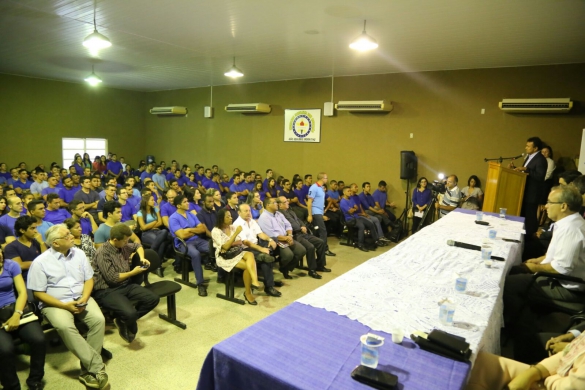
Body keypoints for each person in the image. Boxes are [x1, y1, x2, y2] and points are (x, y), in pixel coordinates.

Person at [504, 185, 585, 363]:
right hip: (562, 278)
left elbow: (562, 268)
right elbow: (554, 257)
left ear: (563, 206)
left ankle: (521, 336)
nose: (545, 206)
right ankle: (520, 328)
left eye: (549, 202)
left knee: (510, 285)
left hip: (569, 288)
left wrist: (532, 268)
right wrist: (538, 260)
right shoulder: (567, 223)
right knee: (517, 270)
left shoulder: (572, 229)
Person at [27, 224, 109, 389]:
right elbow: (38, 294)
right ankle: (97, 367)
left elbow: (88, 279)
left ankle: (87, 370)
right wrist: (65, 305)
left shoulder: (78, 254)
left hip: (81, 297)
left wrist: (85, 298)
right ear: (56, 243)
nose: (72, 236)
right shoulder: (40, 263)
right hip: (55, 303)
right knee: (65, 326)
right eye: (67, 235)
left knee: (99, 320)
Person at [92, 223, 159, 343]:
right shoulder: (102, 253)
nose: (127, 243)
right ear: (115, 239)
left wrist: (142, 258)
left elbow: (137, 245)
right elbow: (112, 278)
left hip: (125, 285)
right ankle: (128, 319)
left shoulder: (123, 245)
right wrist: (133, 272)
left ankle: (123, 320)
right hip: (107, 290)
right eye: (125, 241)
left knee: (153, 299)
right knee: (131, 313)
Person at [466, 334, 585, 390]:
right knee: (479, 364)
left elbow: (569, 387)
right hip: (561, 375)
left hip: (558, 384)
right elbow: (571, 351)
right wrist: (532, 373)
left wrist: (538, 378)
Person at [0, 249, 46, 390]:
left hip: (15, 309)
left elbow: (22, 292)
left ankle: (35, 379)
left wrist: (16, 314)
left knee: (39, 340)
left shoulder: (11, 265)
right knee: (5, 350)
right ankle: (12, 386)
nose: (0, 255)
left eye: (0, 252)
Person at [212, 209, 261, 305]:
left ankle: (254, 281)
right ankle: (248, 292)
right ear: (221, 219)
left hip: (236, 252)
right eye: (228, 216)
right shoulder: (216, 231)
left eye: (230, 216)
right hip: (225, 257)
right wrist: (234, 236)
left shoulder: (233, 227)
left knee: (250, 254)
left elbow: (240, 242)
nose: (231, 218)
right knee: (248, 267)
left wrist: (230, 243)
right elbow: (225, 248)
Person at [232, 203, 283, 297]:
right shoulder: (237, 224)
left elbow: (260, 234)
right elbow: (245, 242)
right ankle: (269, 286)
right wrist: (261, 249)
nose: (248, 213)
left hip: (256, 245)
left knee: (274, 239)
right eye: (245, 211)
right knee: (266, 259)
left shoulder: (252, 221)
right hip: (245, 249)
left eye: (249, 211)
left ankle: (265, 253)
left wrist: (270, 240)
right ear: (239, 212)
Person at [168, 195, 209, 296]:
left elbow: (202, 229)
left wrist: (189, 229)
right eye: (185, 202)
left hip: (197, 240)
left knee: (214, 248)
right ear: (178, 205)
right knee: (195, 254)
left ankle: (222, 275)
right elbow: (182, 235)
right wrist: (195, 230)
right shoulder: (173, 218)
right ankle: (200, 284)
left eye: (187, 201)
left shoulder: (190, 214)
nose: (188, 203)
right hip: (183, 244)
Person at [279, 196, 328, 277]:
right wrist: (299, 228)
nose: (288, 202)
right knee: (310, 247)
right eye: (285, 202)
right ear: (280, 205)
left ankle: (320, 265)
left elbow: (298, 220)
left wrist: (303, 226)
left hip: (302, 232)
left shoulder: (290, 210)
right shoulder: (280, 214)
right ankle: (312, 270)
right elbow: (288, 226)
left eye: (287, 200)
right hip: (294, 235)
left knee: (321, 242)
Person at [258, 197, 306, 279]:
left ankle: (284, 268)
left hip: (286, 237)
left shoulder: (279, 214)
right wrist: (286, 238)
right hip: (275, 241)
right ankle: (285, 268)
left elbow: (288, 225)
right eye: (274, 202)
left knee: (301, 250)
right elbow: (271, 234)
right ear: (268, 205)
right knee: (288, 255)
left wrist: (290, 236)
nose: (277, 204)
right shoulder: (264, 217)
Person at [509, 136, 548, 236]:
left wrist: (526, 169)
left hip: (532, 193)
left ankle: (530, 237)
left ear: (535, 148)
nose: (526, 148)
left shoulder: (541, 159)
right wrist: (514, 168)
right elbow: (525, 172)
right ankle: (522, 235)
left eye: (528, 146)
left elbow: (540, 176)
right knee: (523, 215)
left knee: (530, 217)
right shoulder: (529, 157)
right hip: (524, 191)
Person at [5, 216, 46, 280]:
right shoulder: (11, 247)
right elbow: (20, 265)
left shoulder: (39, 243)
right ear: (22, 230)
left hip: (43, 277)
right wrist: (41, 263)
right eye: (32, 228)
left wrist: (42, 243)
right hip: (26, 280)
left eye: (36, 228)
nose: (36, 231)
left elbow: (47, 260)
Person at [307, 172, 335, 257]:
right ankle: (324, 249)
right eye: (326, 178)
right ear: (322, 178)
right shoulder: (314, 187)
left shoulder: (321, 188)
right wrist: (310, 215)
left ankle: (319, 247)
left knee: (318, 231)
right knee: (323, 232)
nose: (327, 179)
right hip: (315, 212)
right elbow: (309, 202)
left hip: (320, 212)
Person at [137, 194, 169, 261]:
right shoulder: (140, 213)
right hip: (146, 233)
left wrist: (149, 226)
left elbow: (160, 222)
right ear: (146, 202)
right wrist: (154, 222)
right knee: (162, 242)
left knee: (164, 231)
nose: (154, 201)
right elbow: (143, 228)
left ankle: (152, 251)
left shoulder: (155, 209)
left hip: (157, 231)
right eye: (152, 200)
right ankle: (158, 263)